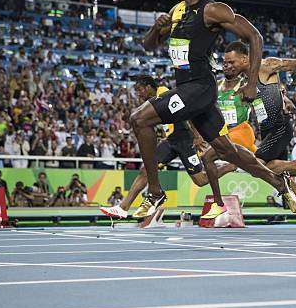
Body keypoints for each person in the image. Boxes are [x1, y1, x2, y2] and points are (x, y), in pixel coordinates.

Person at [135, 0, 296, 216]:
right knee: (227, 151)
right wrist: (157, 28)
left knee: (140, 118)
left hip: (200, 88)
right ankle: (279, 183)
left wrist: (252, 83)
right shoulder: (176, 11)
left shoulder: (212, 9)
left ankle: (155, 193)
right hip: (188, 90)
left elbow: (254, 37)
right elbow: (148, 45)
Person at [199, 41, 296, 238]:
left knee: (257, 167)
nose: (228, 66)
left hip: (280, 127)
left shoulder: (266, 65)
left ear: (245, 59)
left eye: (231, 62)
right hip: (267, 131)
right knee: (280, 178)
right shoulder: (245, 80)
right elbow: (270, 89)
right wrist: (284, 96)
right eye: (225, 62)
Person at [100, 75, 236, 219]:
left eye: (140, 90)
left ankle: (230, 166)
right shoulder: (152, 104)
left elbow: (189, 112)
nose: (139, 94)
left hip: (185, 140)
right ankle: (123, 207)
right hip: (170, 141)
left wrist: (197, 135)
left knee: (200, 180)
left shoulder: (164, 92)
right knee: (145, 170)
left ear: (148, 87)